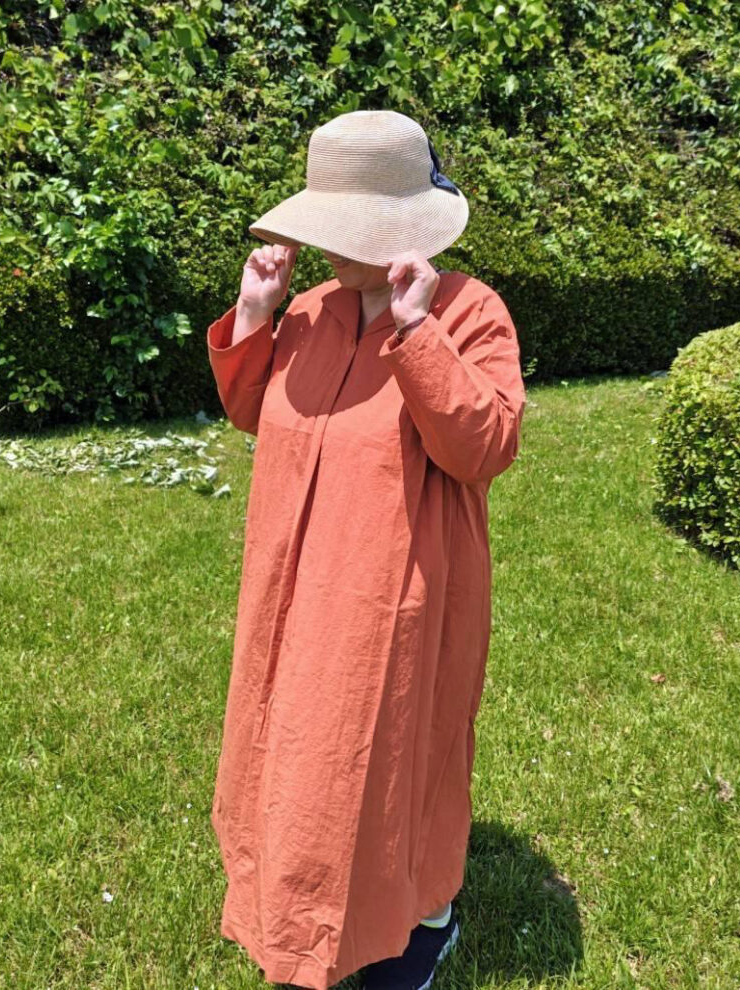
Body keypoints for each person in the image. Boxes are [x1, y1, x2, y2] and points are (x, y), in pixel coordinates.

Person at [205, 109, 526, 990]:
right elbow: (259, 414)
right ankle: (298, 910)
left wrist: (418, 334)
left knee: (395, 757)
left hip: (402, 590)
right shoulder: (311, 309)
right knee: (297, 751)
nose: (328, 247)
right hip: (294, 582)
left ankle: (423, 920)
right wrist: (256, 314)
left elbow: (485, 447)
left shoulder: (470, 310)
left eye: (347, 227)